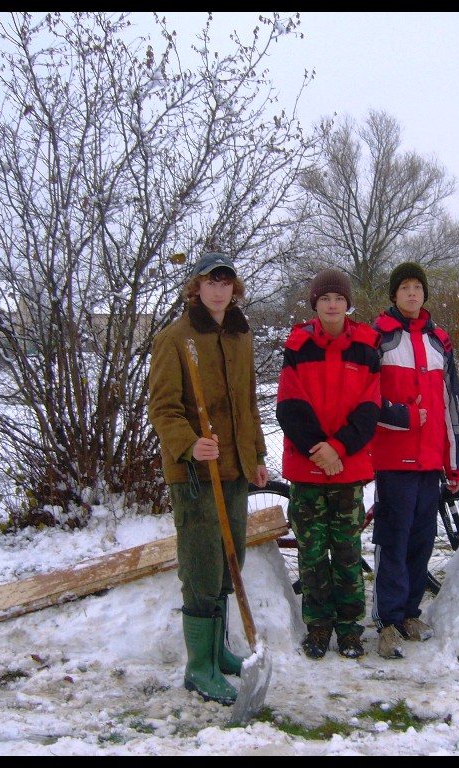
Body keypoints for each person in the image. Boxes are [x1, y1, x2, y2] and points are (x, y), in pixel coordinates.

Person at [148, 252, 269, 706]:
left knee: (228, 561)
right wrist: (188, 443)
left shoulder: (240, 336)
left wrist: (256, 454)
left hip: (234, 469)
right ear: (196, 288)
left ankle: (218, 651)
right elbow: (162, 408)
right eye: (210, 281)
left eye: (226, 281)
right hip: (197, 475)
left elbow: (248, 403)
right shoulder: (175, 339)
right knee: (201, 567)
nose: (218, 289)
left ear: (233, 289)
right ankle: (199, 667)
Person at [276, 269, 382, 660]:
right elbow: (289, 404)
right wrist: (319, 448)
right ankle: (318, 626)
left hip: (347, 467)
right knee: (312, 551)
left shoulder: (368, 346)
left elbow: (369, 408)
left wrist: (339, 448)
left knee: (348, 550)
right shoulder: (299, 345)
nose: (332, 305)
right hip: (307, 466)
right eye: (325, 299)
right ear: (315, 304)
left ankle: (350, 628)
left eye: (338, 298)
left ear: (347, 303)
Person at [370, 262, 459, 660]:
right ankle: (388, 621)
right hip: (393, 458)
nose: (412, 294)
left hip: (430, 461)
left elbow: (452, 404)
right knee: (392, 539)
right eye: (404, 288)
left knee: (421, 540)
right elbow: (365, 399)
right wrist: (399, 415)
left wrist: (456, 460)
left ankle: (411, 612)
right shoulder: (379, 338)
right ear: (393, 295)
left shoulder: (439, 341)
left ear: (424, 294)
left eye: (417, 288)